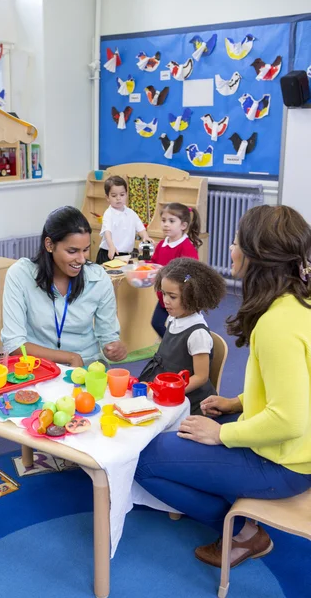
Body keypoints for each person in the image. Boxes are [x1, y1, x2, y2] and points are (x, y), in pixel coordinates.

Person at [135, 205, 311, 569]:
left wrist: (221, 435)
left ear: (255, 257)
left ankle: (242, 531)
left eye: (234, 242)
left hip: (286, 462)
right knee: (177, 444)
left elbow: (290, 419)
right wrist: (235, 403)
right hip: (294, 452)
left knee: (144, 459)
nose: (230, 250)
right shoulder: (299, 307)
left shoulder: (276, 323)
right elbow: (295, 387)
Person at [1, 206, 127, 367]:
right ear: (49, 245)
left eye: (86, 250)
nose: (81, 259)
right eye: (72, 251)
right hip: (39, 367)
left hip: (86, 367)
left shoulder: (98, 278)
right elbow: (14, 344)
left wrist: (115, 347)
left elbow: (108, 336)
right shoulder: (21, 274)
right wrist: (69, 357)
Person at [139, 258, 226, 415]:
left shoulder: (197, 334)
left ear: (192, 297)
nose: (165, 301)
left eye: (172, 297)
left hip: (189, 403)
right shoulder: (175, 318)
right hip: (166, 389)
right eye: (164, 294)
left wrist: (170, 392)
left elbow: (201, 376)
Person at [150, 203, 202, 338]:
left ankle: (176, 346)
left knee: (180, 328)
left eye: (171, 221)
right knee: (156, 323)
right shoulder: (162, 244)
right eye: (163, 220)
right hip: (164, 296)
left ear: (183, 226)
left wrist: (166, 273)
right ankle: (171, 344)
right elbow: (154, 263)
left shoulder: (186, 247)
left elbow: (191, 274)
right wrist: (144, 268)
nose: (166, 224)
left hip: (180, 298)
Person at [96, 175, 153, 265]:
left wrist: (145, 236)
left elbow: (140, 228)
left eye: (122, 195)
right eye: (114, 195)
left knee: (123, 277)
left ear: (126, 194)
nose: (118, 198)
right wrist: (111, 246)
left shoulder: (131, 213)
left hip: (125, 255)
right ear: (107, 197)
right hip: (108, 252)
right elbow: (107, 232)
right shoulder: (109, 213)